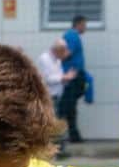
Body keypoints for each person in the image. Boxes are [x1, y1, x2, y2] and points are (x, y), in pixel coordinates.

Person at [37, 36, 71, 151]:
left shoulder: (57, 60)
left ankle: (59, 149)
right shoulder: (44, 59)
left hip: (57, 96)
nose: (64, 55)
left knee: (57, 123)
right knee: (52, 124)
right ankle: (55, 149)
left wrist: (65, 78)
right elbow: (46, 78)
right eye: (63, 52)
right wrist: (64, 78)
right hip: (49, 97)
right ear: (57, 50)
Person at [59, 15, 88, 143]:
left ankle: (72, 134)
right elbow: (65, 53)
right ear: (79, 24)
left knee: (70, 106)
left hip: (75, 75)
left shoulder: (73, 36)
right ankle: (70, 134)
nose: (85, 28)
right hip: (72, 77)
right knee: (68, 107)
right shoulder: (72, 36)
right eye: (84, 25)